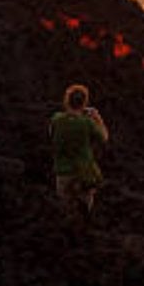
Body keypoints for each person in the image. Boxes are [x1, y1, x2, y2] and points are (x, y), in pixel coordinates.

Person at [50, 84, 108, 227]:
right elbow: (104, 138)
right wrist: (97, 118)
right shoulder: (86, 123)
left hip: (63, 171)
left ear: (66, 100)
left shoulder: (57, 119)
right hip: (84, 172)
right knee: (84, 211)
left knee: (64, 209)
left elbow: (51, 134)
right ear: (84, 103)